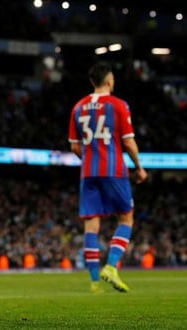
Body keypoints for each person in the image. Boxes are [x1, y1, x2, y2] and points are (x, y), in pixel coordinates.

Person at [68, 62, 148, 293]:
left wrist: (91, 158)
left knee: (91, 224)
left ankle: (94, 283)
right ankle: (111, 267)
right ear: (109, 80)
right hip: (114, 169)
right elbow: (129, 141)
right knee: (126, 218)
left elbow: (74, 147)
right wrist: (140, 167)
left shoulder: (78, 107)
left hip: (88, 172)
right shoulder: (118, 105)